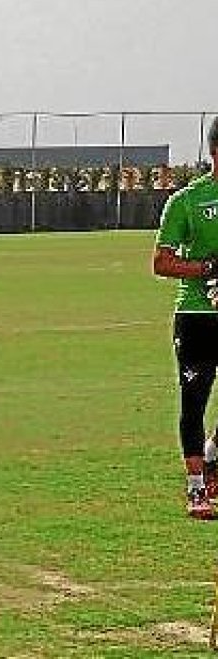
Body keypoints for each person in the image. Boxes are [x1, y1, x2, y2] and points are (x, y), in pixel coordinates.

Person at [153, 116, 218, 520]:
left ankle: (212, 456)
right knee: (194, 401)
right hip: (197, 317)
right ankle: (197, 489)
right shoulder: (187, 201)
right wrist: (207, 268)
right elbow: (162, 261)